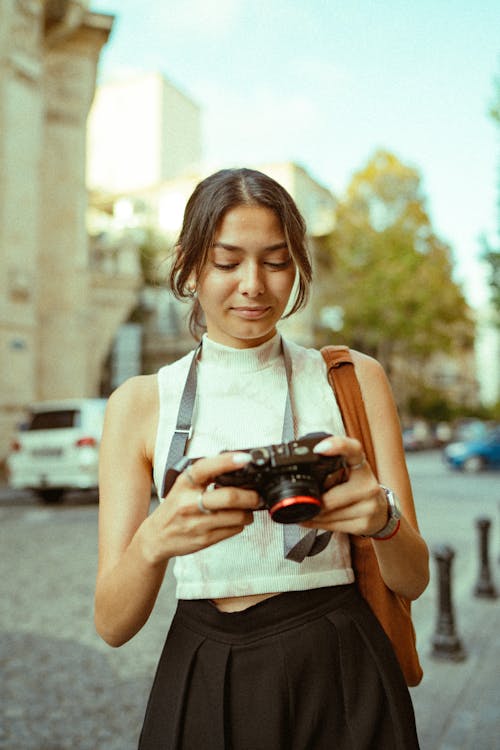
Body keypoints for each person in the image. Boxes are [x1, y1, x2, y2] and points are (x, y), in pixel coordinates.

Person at [95, 167, 429, 749]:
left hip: (341, 663)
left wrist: (380, 517)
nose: (253, 284)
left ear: (297, 265)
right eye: (227, 263)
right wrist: (157, 538)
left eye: (275, 261)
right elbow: (113, 624)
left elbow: (415, 578)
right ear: (189, 264)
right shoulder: (140, 404)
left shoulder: (351, 378)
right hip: (203, 664)